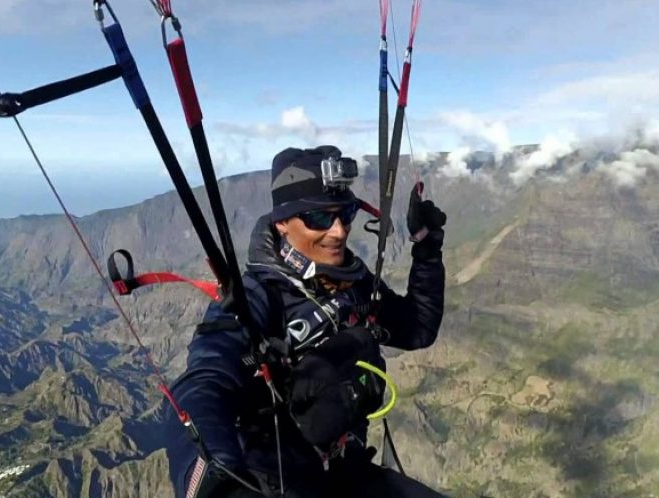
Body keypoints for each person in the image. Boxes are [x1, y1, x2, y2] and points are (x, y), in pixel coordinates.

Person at [165, 145, 449, 497]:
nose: (338, 231)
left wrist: (426, 250)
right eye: (318, 218)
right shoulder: (257, 295)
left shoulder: (353, 285)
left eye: (345, 214)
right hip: (276, 482)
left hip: (348, 471)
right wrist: (216, 480)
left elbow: (417, 329)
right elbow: (202, 382)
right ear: (282, 222)